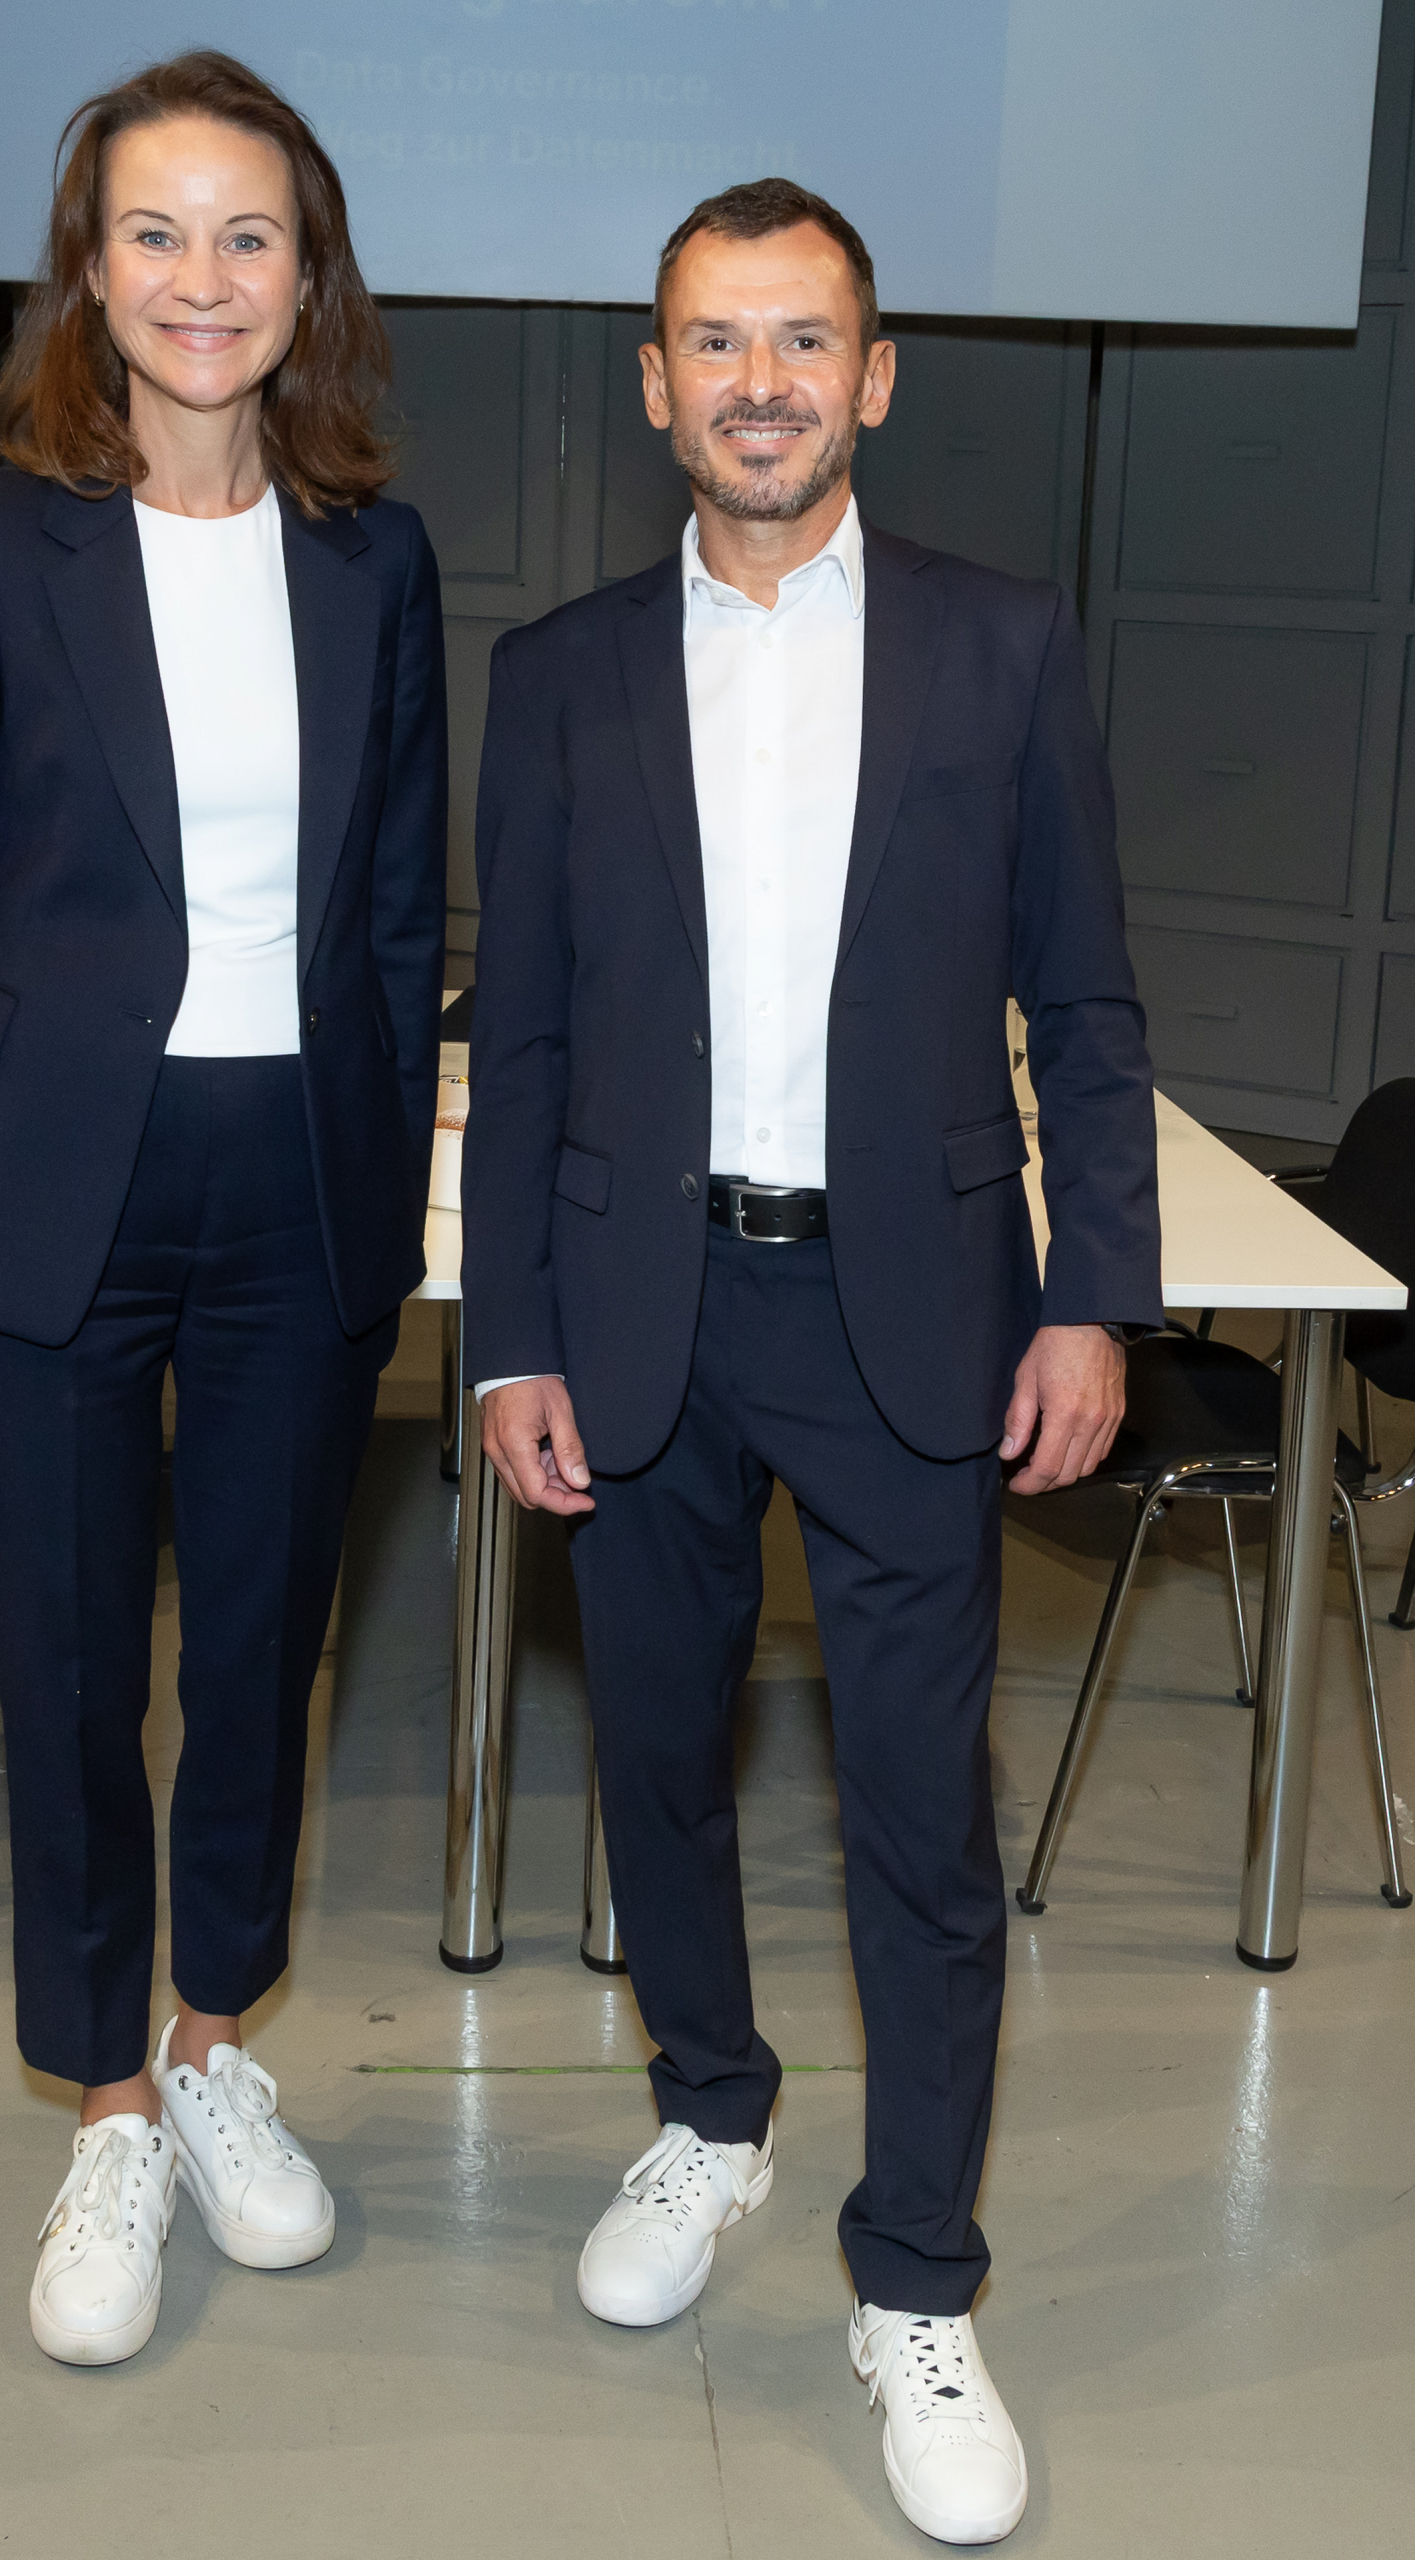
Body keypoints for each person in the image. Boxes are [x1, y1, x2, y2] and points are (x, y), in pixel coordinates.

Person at [462, 180, 1159, 2545]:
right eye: (711, 340)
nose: (756, 382)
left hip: (912, 1316)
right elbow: (524, 1035)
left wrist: (1091, 1292)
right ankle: (709, 2107)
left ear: (871, 377)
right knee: (656, 1760)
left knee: (914, 1818)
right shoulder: (556, 673)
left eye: (800, 339)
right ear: (654, 385)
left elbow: (1086, 1000)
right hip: (638, 1307)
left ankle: (918, 2275)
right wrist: (510, 1335)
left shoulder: (1001, 643)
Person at [0, 50, 446, 2366]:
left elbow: (396, 916)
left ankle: (209, 2044)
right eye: (157, 232)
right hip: (39, 1194)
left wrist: (385, 1211)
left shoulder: (374, 558)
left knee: (266, 1648)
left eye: (248, 234)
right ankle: (105, 2100)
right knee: (79, 1671)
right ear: (89, 272)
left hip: (295, 1185)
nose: (204, 278)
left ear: (310, 276)